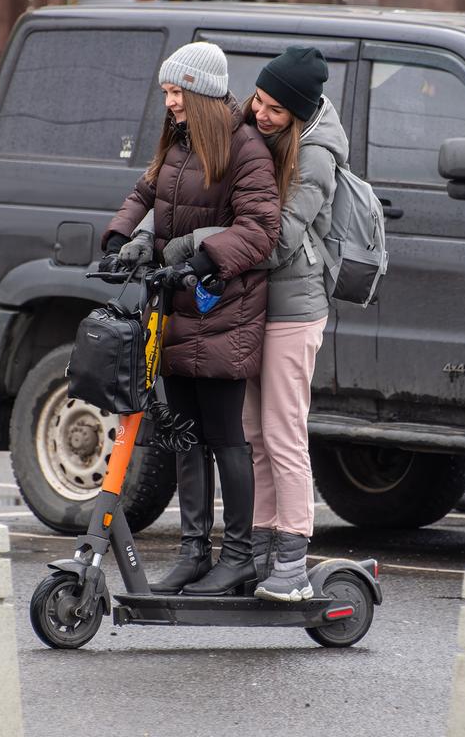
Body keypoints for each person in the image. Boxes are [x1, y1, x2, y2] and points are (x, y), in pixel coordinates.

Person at [164, 46, 345, 601]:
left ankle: (292, 555)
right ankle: (259, 549)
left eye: (273, 109)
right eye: (257, 101)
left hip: (294, 307)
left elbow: (277, 238)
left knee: (284, 431)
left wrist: (198, 244)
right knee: (251, 433)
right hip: (251, 304)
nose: (259, 114)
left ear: (298, 111)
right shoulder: (252, 131)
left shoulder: (315, 156)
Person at [101, 42, 280, 596]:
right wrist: (118, 238)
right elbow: (146, 191)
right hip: (175, 308)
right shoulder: (179, 143)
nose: (170, 101)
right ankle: (193, 552)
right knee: (183, 434)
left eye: (177, 91)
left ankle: (241, 556)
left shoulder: (245, 147)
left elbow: (259, 229)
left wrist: (202, 259)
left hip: (224, 308)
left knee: (226, 436)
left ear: (201, 92)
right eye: (167, 92)